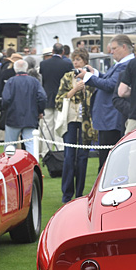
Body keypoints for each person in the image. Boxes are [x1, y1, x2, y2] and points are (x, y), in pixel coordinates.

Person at [81, 34, 134, 169]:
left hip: (112, 118)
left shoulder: (126, 65)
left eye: (114, 48)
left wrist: (88, 77)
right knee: (105, 158)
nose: (111, 51)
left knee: (107, 160)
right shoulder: (121, 64)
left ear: (124, 47)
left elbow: (110, 85)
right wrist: (96, 74)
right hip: (108, 117)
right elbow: (109, 80)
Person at [55, 47, 94, 203]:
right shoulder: (67, 77)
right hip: (70, 119)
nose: (76, 62)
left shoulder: (91, 77)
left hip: (86, 121)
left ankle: (80, 194)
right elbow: (58, 100)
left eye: (79, 59)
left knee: (83, 157)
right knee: (69, 156)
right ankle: (67, 195)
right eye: (74, 59)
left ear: (85, 61)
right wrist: (74, 89)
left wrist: (86, 88)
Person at [1, 59, 47, 150]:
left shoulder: (11, 81)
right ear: (26, 69)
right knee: (31, 145)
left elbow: (5, 99)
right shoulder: (34, 81)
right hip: (30, 117)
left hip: (13, 117)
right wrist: (40, 111)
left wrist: (5, 110)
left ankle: (9, 163)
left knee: (10, 146)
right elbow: (42, 97)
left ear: (15, 69)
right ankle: (33, 163)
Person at [38, 42, 74, 144]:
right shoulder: (67, 64)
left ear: (53, 51)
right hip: (62, 99)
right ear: (63, 52)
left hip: (47, 97)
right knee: (60, 126)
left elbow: (43, 81)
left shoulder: (43, 64)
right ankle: (60, 150)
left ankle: (46, 152)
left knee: (47, 127)